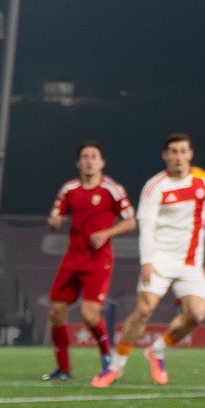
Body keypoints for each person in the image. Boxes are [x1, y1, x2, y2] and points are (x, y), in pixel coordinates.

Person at [92, 134, 205, 388]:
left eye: (182, 151)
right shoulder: (155, 186)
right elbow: (147, 226)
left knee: (196, 315)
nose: (178, 157)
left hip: (190, 262)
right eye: (173, 152)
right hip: (160, 259)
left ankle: (157, 350)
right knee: (143, 310)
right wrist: (147, 261)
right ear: (165, 155)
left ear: (190, 154)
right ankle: (115, 367)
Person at [43, 142, 136, 382]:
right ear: (78, 163)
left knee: (89, 314)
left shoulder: (112, 189)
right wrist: (53, 223)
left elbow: (130, 221)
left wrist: (107, 233)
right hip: (72, 258)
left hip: (98, 260)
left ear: (102, 162)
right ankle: (63, 369)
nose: (89, 160)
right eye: (85, 156)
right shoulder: (69, 189)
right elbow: (55, 217)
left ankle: (107, 359)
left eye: (94, 156)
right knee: (56, 312)